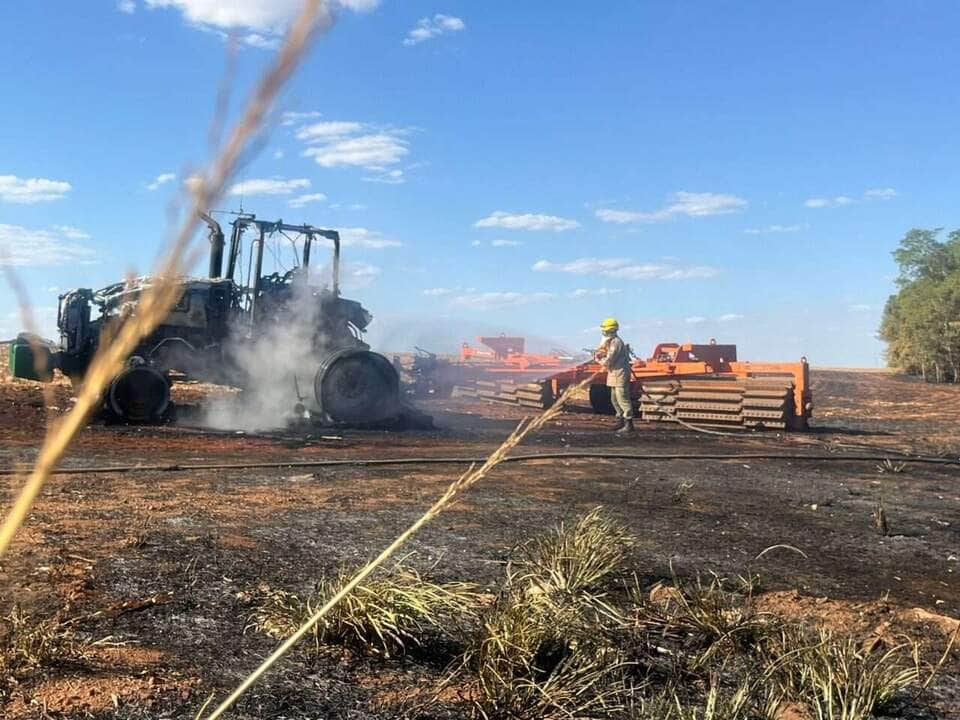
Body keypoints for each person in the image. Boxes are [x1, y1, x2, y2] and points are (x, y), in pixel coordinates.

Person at [596, 317, 634, 434]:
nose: (604, 333)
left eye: (606, 331)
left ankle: (629, 424)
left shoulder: (616, 342)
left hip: (620, 374)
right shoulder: (610, 342)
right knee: (614, 399)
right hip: (614, 374)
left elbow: (609, 360)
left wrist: (598, 359)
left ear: (612, 330)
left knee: (623, 399)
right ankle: (620, 420)